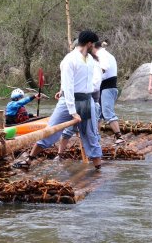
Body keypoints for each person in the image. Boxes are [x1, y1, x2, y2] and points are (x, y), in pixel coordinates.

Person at [13, 30, 103, 170]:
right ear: (89, 43)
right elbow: (68, 84)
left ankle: (98, 168)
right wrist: (72, 111)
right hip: (68, 101)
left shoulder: (90, 60)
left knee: (91, 135)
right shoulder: (70, 59)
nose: (94, 47)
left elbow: (85, 82)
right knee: (51, 130)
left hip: (86, 101)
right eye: (93, 44)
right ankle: (29, 160)